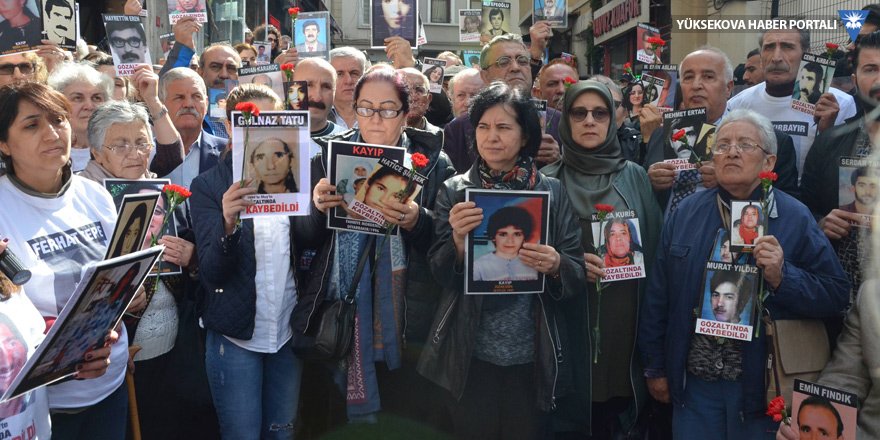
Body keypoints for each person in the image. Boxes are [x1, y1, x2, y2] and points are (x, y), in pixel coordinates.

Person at [639, 109, 849, 439]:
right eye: (722, 145)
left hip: (762, 390)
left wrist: (783, 277)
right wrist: (655, 367)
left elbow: (836, 294)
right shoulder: (686, 212)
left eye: (745, 144)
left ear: (769, 162)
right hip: (696, 387)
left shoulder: (794, 216)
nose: (732, 152)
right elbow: (658, 294)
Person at [416, 81, 583, 439]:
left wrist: (556, 264)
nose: (491, 137)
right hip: (469, 355)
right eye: (483, 127)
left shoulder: (551, 192)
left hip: (532, 357)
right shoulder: (456, 191)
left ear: (525, 137)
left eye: (504, 127)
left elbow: (576, 272)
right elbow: (439, 273)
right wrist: (458, 242)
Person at [303, 68, 456, 430]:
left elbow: (447, 246)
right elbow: (304, 241)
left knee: (403, 417)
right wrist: (316, 209)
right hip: (342, 317)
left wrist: (418, 220)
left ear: (405, 114)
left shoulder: (434, 164)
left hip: (406, 317)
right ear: (354, 109)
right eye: (366, 108)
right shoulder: (325, 158)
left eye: (387, 109)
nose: (375, 118)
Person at [0, 82, 133, 440]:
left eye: (58, 119)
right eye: (32, 125)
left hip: (110, 386)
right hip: (42, 408)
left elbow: (117, 279)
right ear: (4, 144)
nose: (52, 133)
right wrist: (70, 350)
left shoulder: (95, 194)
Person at [189, 83, 316, 439]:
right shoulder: (208, 186)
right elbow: (212, 272)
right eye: (251, 120)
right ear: (230, 127)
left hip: (287, 331)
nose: (262, 128)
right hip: (236, 337)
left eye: (271, 119)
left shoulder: (300, 177)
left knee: (282, 433)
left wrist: (319, 207)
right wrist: (228, 225)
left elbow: (311, 243)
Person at [541, 79, 661, 438]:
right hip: (568, 321)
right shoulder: (546, 180)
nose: (590, 121)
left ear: (613, 119)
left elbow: (656, 249)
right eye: (579, 113)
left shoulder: (635, 177)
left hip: (624, 326)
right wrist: (569, 264)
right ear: (566, 120)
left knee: (615, 416)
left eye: (600, 113)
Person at [645, 47, 799, 214]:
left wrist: (732, 182)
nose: (696, 85)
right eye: (688, 77)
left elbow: (785, 210)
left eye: (708, 77)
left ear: (728, 88)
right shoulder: (660, 135)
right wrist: (649, 181)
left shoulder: (769, 139)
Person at [800, 30, 880, 310]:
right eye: (871, 69)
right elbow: (804, 209)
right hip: (840, 303)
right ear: (855, 81)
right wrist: (822, 224)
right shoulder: (829, 143)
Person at [727, 25, 857, 178]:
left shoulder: (840, 104)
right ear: (761, 58)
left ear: (806, 54)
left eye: (787, 47)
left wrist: (827, 133)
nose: (776, 58)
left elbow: (847, 177)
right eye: (769, 47)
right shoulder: (737, 106)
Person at [444, 34, 562, 173]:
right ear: (485, 76)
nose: (515, 67)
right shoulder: (458, 129)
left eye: (522, 61)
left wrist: (558, 161)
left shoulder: (558, 120)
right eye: (504, 62)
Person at [75, 65, 183, 181]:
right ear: (97, 154)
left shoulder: (154, 186)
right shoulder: (81, 190)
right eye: (121, 146)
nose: (134, 155)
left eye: (142, 144)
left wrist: (153, 100)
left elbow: (171, 155)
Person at [472, 206, 539, 281]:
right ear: (493, 236)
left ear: (524, 237)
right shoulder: (478, 266)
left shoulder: (534, 263)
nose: (510, 241)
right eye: (503, 234)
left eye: (517, 234)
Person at [329, 47, 369, 130]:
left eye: (354, 73)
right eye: (339, 74)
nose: (348, 81)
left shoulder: (378, 113)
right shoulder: (316, 114)